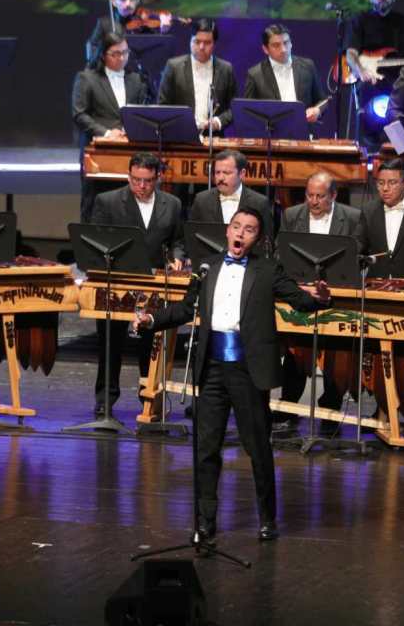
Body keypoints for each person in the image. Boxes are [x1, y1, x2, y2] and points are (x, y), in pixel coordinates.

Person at [140, 208, 331, 541]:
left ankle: (267, 519)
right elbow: (185, 308)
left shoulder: (268, 269)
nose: (241, 233)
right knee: (206, 448)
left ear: (258, 238)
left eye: (250, 229)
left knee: (257, 448)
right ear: (228, 231)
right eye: (237, 227)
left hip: (247, 369)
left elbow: (300, 300)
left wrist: (322, 299)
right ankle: (205, 521)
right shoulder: (206, 268)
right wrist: (152, 320)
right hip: (211, 368)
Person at [89, 152, 184, 417]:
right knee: (110, 343)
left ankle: (149, 399)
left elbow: (178, 240)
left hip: (153, 285)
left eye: (147, 181)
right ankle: (105, 399)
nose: (141, 186)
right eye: (135, 179)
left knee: (150, 345)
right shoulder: (107, 201)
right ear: (128, 175)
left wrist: (177, 257)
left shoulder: (172, 204)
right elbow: (96, 240)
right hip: (117, 283)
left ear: (158, 178)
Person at [277, 172, 363, 431]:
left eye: (320, 196)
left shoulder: (352, 217)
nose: (313, 201)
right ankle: (288, 407)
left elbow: (358, 256)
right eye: (309, 195)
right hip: (302, 294)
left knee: (336, 356)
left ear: (333, 195)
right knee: (295, 352)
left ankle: (330, 412)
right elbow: (281, 253)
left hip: (336, 296)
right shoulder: (292, 215)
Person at [71, 31, 150, 222]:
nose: (121, 58)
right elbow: (79, 114)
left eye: (125, 53)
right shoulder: (87, 78)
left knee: (127, 209)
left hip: (128, 152)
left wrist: (131, 129)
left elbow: (143, 112)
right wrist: (106, 133)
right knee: (94, 207)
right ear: (103, 55)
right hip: (97, 153)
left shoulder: (136, 80)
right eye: (115, 53)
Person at [344, 0, 404, 148]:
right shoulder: (360, 20)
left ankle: (400, 147)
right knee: (367, 96)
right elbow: (351, 53)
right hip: (369, 81)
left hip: (399, 81)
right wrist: (361, 71)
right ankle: (369, 144)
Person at [157, 19, 237, 134]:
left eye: (207, 43)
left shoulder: (226, 69)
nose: (201, 47)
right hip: (180, 136)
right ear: (190, 41)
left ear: (214, 44)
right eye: (197, 41)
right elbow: (162, 106)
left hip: (214, 137)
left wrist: (219, 121)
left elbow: (234, 107)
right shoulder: (174, 67)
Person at [242, 23, 327, 124]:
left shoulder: (307, 66)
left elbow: (322, 100)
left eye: (286, 43)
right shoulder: (255, 75)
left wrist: (317, 110)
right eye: (276, 45)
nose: (283, 49)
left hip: (304, 130)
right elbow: (248, 112)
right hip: (272, 132)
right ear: (265, 49)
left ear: (291, 43)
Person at [189, 150, 274, 241]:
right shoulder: (202, 200)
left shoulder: (259, 203)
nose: (221, 178)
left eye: (226, 173)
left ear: (242, 174)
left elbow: (267, 241)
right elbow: (191, 237)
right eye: (217, 172)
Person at [84, 0, 141, 64]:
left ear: (137, 0)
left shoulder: (145, 23)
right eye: (123, 0)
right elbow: (92, 55)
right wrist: (105, 45)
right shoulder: (104, 23)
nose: (128, 4)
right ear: (114, 1)